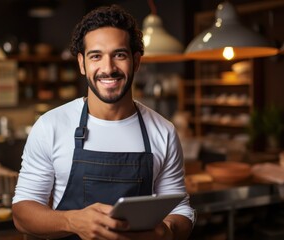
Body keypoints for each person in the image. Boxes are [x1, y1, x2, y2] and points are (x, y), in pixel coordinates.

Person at [12, 4, 195, 240]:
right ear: (81, 63)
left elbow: (180, 210)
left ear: (136, 61)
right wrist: (71, 221)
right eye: (96, 56)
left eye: (119, 55)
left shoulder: (163, 131)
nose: (108, 68)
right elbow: (22, 213)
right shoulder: (51, 126)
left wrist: (166, 231)